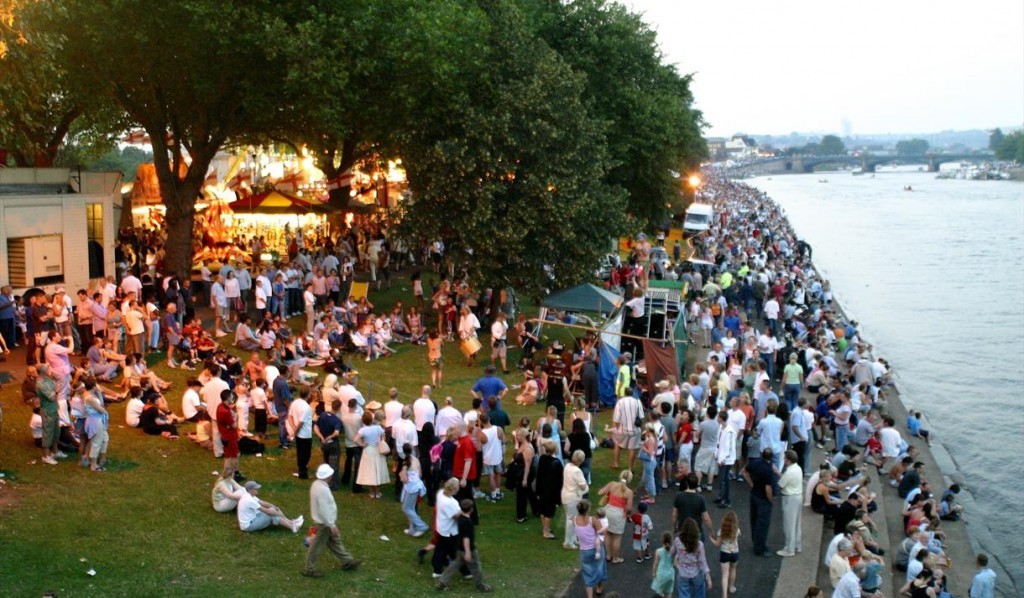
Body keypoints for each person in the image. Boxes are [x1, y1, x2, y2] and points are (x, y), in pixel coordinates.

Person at [303, 463, 363, 577]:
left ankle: (347, 561)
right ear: (328, 476)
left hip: (323, 522)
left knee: (335, 542)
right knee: (316, 546)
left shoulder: (315, 484)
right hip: (324, 524)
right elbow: (324, 509)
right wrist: (331, 525)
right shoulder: (323, 490)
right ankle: (309, 569)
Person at [435, 499, 492, 592]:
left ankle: (442, 581)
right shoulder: (468, 523)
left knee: (455, 565)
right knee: (476, 567)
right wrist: (468, 552)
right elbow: (466, 538)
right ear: (471, 509)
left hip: (459, 548)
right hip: (467, 549)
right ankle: (480, 586)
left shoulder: (460, 518)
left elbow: (457, 515)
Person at [742, 448, 777, 556]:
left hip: (754, 494)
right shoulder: (768, 470)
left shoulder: (755, 463)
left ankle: (755, 542)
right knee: (763, 524)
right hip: (763, 499)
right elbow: (768, 489)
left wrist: (751, 483)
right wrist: (771, 500)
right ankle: (760, 548)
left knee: (754, 520)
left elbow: (744, 471)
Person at [236, 480, 303, 533]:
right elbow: (266, 511)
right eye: (256, 488)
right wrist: (277, 512)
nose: (258, 489)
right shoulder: (249, 499)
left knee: (272, 510)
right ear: (250, 490)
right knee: (271, 515)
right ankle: (292, 526)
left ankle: (292, 523)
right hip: (248, 526)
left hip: (253, 518)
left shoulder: (249, 496)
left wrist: (275, 507)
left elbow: (262, 502)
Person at [597, 470, 634, 564]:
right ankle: (616, 558)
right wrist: (627, 514)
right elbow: (629, 507)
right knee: (617, 537)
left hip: (607, 510)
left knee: (608, 534)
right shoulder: (629, 492)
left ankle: (608, 555)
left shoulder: (612, 484)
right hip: (619, 514)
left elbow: (600, 492)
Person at [673, 517, 712, 598]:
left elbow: (671, 552)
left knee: (683, 593)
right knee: (699, 592)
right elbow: (702, 562)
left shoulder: (677, 541)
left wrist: (675, 559)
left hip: (683, 573)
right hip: (696, 573)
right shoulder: (699, 544)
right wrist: (708, 576)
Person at [355, 411, 389, 499]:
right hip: (377, 450)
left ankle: (371, 492)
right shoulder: (378, 428)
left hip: (368, 450)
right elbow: (383, 435)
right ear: (372, 419)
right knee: (378, 470)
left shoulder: (363, 430)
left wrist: (362, 444)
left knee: (370, 471)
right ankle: (377, 492)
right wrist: (381, 441)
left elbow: (355, 439)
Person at [398, 443, 429, 537]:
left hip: (412, 487)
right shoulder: (416, 459)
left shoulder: (405, 461)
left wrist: (403, 476)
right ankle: (412, 529)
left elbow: (404, 478)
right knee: (411, 508)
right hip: (417, 485)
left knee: (406, 508)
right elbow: (420, 474)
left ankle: (421, 526)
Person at [535, 439, 564, 540]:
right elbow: (560, 480)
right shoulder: (557, 463)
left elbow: (539, 474)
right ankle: (546, 532)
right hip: (551, 491)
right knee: (549, 512)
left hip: (542, 488)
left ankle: (545, 528)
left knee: (543, 511)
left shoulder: (542, 458)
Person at [609, 387, 643, 470]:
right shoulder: (638, 402)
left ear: (624, 393)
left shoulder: (620, 402)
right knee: (632, 448)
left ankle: (616, 463)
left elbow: (616, 418)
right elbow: (641, 417)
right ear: (632, 394)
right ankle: (630, 468)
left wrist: (616, 429)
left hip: (623, 429)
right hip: (635, 429)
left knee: (617, 443)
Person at [561, 450, 589, 550]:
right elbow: (583, 486)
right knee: (571, 520)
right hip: (572, 497)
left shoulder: (567, 466)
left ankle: (573, 539)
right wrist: (586, 488)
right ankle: (568, 542)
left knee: (572, 518)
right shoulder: (577, 471)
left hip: (565, 495)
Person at [777, 449, 803, 557]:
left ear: (788, 460)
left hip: (790, 498)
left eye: (785, 459)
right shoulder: (798, 468)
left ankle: (789, 549)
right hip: (798, 496)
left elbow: (781, 484)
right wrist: (778, 472)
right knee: (796, 523)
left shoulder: (789, 471)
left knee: (789, 525)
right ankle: (797, 545)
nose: (784, 460)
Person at [708, 510, 740, 598]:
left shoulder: (722, 531)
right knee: (733, 569)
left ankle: (724, 595)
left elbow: (717, 544)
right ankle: (731, 587)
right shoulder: (737, 530)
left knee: (725, 575)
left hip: (725, 553)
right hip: (735, 553)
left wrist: (711, 539)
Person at [287, 387, 313, 479]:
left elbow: (289, 417)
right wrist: (296, 431)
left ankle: (301, 469)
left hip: (298, 434)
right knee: (306, 454)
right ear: (308, 395)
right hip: (305, 434)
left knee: (300, 452)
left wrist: (294, 429)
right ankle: (303, 473)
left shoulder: (295, 402)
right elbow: (301, 422)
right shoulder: (306, 407)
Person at [651, 530, 675, 598]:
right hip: (670, 573)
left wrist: (653, 573)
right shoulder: (673, 551)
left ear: (662, 540)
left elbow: (655, 564)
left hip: (661, 573)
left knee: (659, 592)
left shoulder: (658, 551)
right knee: (669, 591)